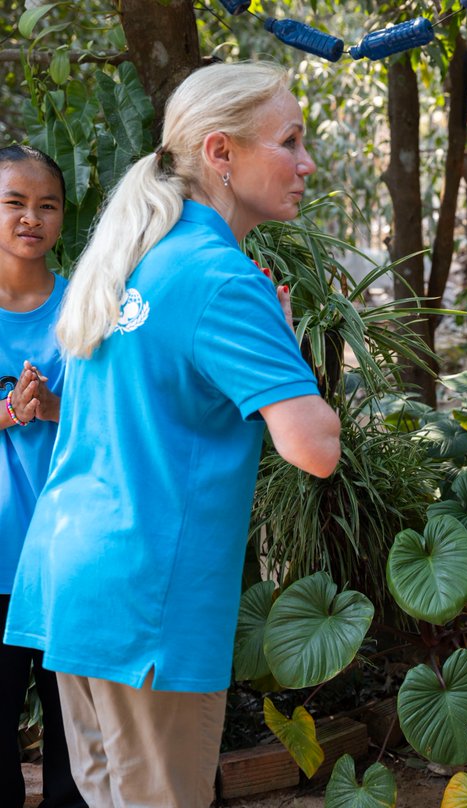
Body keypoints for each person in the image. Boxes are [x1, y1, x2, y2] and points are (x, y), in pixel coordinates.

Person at [3, 62, 341, 808]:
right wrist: (289, 357)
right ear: (221, 153)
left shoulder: (129, 255)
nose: (305, 161)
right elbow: (314, 449)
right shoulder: (223, 277)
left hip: (74, 579)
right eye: (289, 141)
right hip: (147, 598)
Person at [0, 145, 86, 808]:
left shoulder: (84, 309)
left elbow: (120, 415)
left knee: (75, 747)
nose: (32, 217)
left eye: (46, 205)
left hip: (67, 556)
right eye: (14, 202)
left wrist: (53, 405)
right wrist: (7, 411)